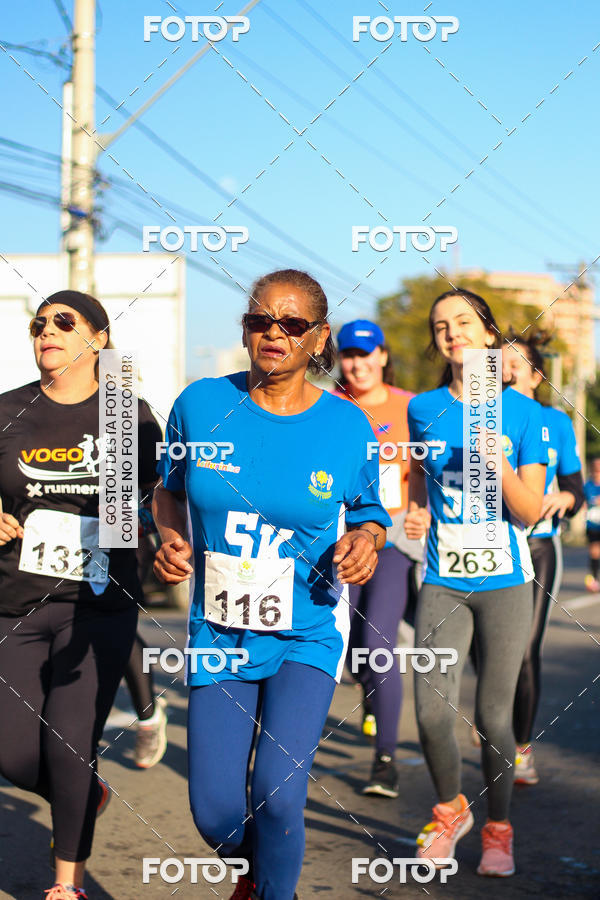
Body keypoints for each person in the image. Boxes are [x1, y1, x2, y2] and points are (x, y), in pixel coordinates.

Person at [152, 269, 391, 900]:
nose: (273, 333)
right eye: (260, 321)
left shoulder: (346, 426)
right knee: (216, 814)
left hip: (306, 630)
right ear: (245, 329)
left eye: (291, 324)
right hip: (218, 630)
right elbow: (166, 491)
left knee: (279, 796)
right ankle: (258, 872)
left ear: (319, 338)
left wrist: (364, 541)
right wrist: (169, 537)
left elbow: (371, 512)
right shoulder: (199, 405)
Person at [0, 290, 161, 900]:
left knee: (69, 743)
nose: (47, 331)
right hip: (15, 599)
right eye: (38, 324)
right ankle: (84, 790)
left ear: (97, 338)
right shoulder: (7, 411)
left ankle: (65, 883)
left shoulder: (128, 414)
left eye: (64, 323)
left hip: (96, 603)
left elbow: (155, 501)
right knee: (14, 756)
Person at [405, 289, 548, 877]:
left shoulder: (523, 414)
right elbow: (419, 474)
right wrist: (414, 511)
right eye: (441, 326)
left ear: (489, 335)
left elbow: (531, 510)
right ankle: (449, 812)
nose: (452, 332)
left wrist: (501, 464)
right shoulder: (424, 407)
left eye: (464, 321)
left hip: (506, 581)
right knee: (432, 710)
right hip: (441, 577)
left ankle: (498, 828)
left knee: (494, 716)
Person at [335, 319, 421, 797]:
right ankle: (366, 689)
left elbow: (436, 467)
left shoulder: (411, 407)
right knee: (346, 641)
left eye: (366, 355)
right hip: (339, 543)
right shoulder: (329, 407)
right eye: (349, 355)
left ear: (383, 357)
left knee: (378, 642)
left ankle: (385, 759)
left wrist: (422, 511)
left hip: (390, 544)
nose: (357, 364)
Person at [502, 333, 584, 785]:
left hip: (537, 545)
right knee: (490, 649)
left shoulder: (556, 422)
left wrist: (565, 502)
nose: (506, 368)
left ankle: (521, 748)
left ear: (536, 375)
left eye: (517, 362)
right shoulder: (480, 415)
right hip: (487, 546)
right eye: (499, 362)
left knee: (526, 649)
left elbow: (575, 485)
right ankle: (496, 712)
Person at [583, 457, 600, 592]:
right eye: (595, 468)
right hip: (593, 525)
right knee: (594, 552)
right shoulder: (588, 486)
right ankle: (594, 579)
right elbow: (583, 502)